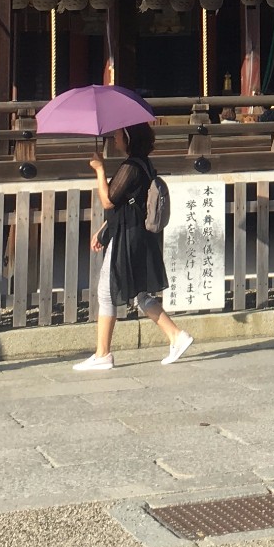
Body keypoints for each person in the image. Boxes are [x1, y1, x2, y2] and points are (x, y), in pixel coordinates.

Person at [73, 122, 192, 372]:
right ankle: (176, 336)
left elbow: (108, 200)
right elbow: (128, 204)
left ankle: (103, 354)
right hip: (138, 233)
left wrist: (99, 169)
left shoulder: (131, 167)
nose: (115, 139)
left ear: (129, 137)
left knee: (107, 291)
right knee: (141, 293)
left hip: (127, 236)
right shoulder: (145, 164)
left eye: (118, 135)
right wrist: (104, 230)